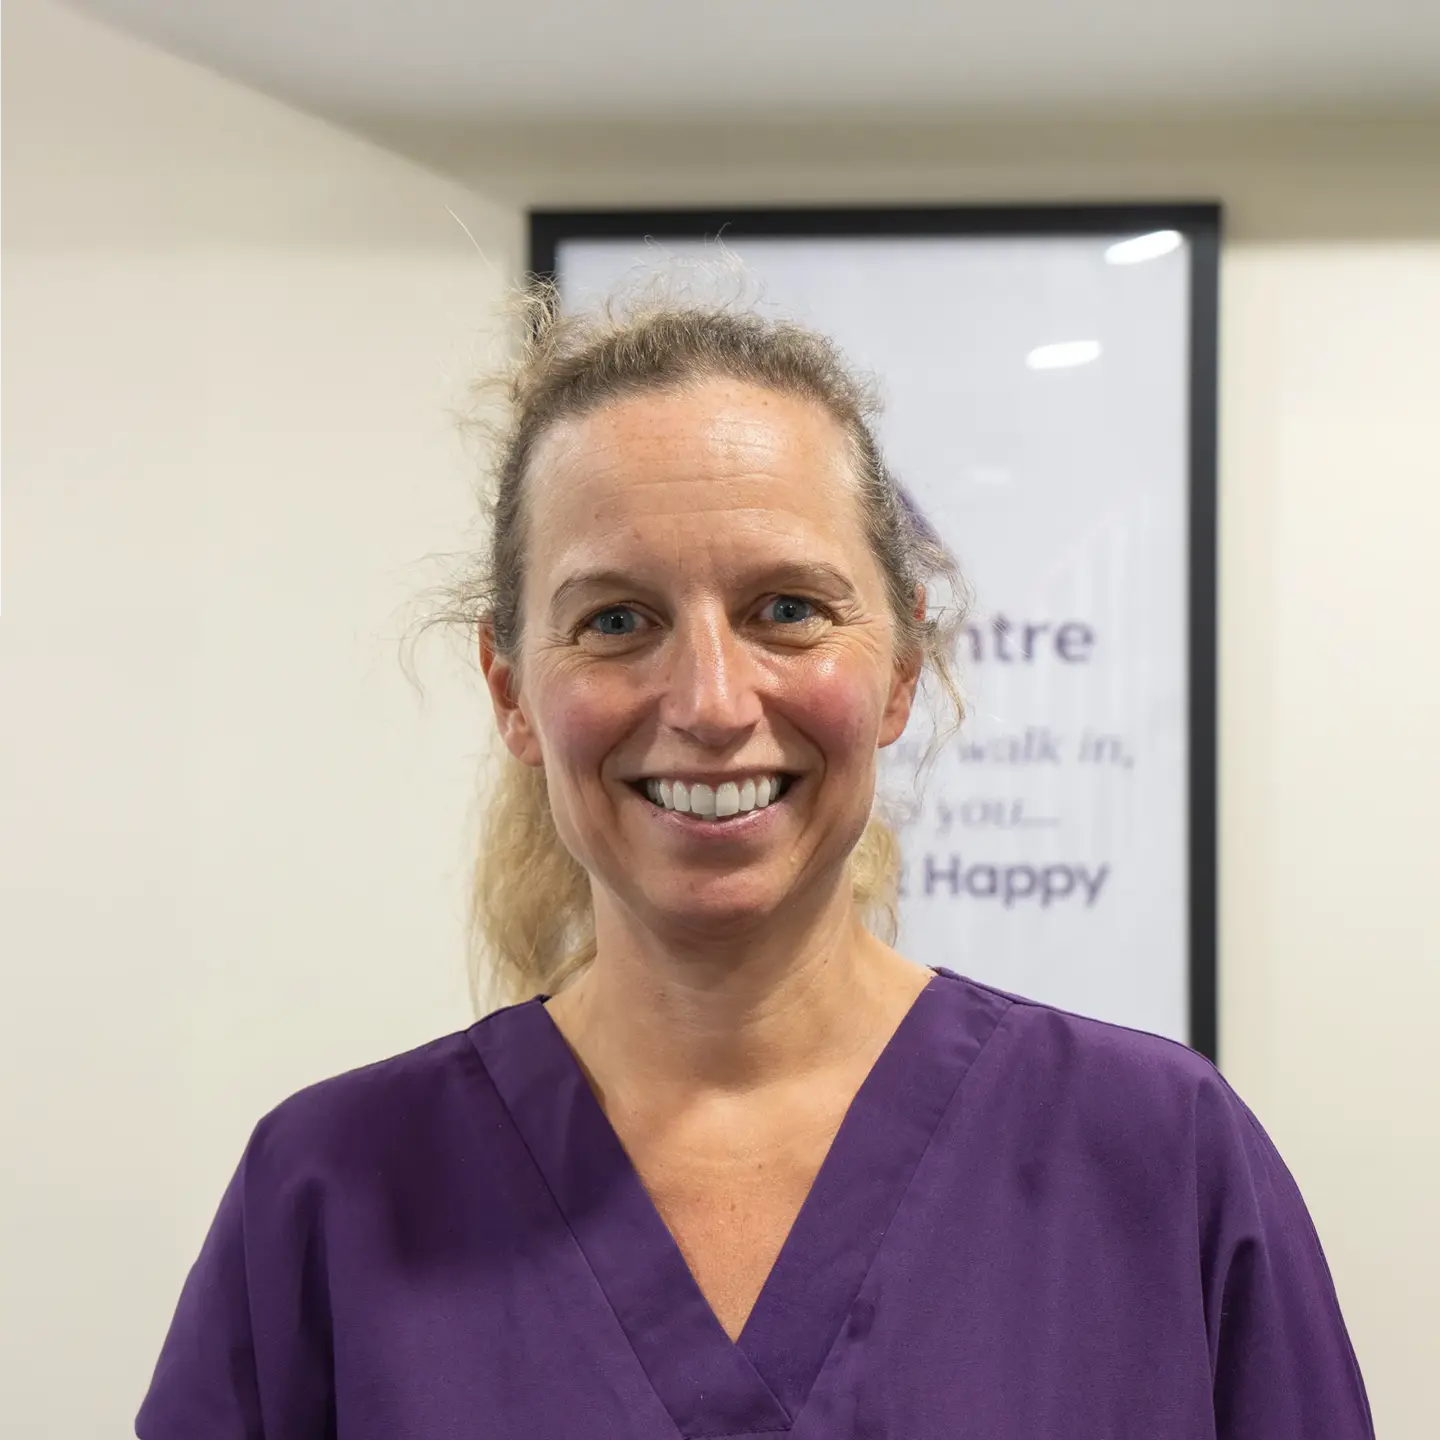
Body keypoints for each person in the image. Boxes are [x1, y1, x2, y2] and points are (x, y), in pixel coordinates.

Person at [137, 291, 1374, 1439]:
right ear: (511, 691)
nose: (713, 702)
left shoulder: (1158, 1162)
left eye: (787, 610)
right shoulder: (331, 1198)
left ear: (900, 671)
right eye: (616, 620)